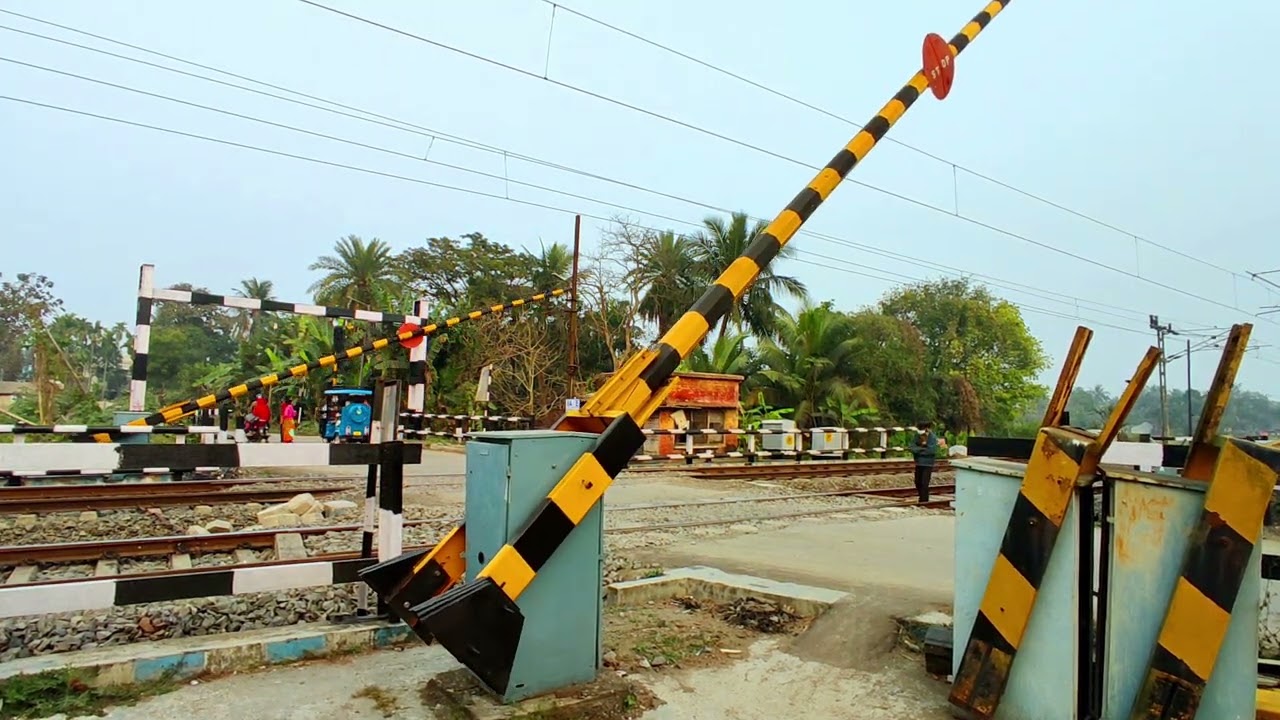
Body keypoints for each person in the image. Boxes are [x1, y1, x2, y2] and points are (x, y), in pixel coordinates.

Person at [911, 421, 940, 503]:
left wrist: (919, 450)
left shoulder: (932, 437)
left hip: (928, 464)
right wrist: (923, 448)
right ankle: (921, 497)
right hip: (918, 463)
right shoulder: (917, 436)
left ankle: (924, 500)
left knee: (924, 483)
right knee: (917, 481)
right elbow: (912, 447)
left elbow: (931, 451)